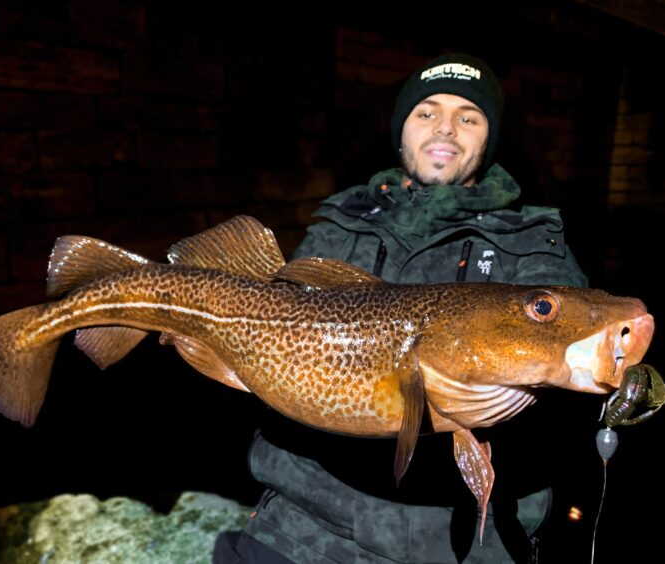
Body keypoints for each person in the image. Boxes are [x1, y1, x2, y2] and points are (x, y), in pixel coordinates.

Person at [214, 52, 587, 563]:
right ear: (402, 128)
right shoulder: (341, 221)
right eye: (427, 111)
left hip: (458, 545)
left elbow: (571, 372)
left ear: (489, 138)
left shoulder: (535, 245)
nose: (446, 129)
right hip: (302, 527)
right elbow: (278, 330)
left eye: (469, 117)